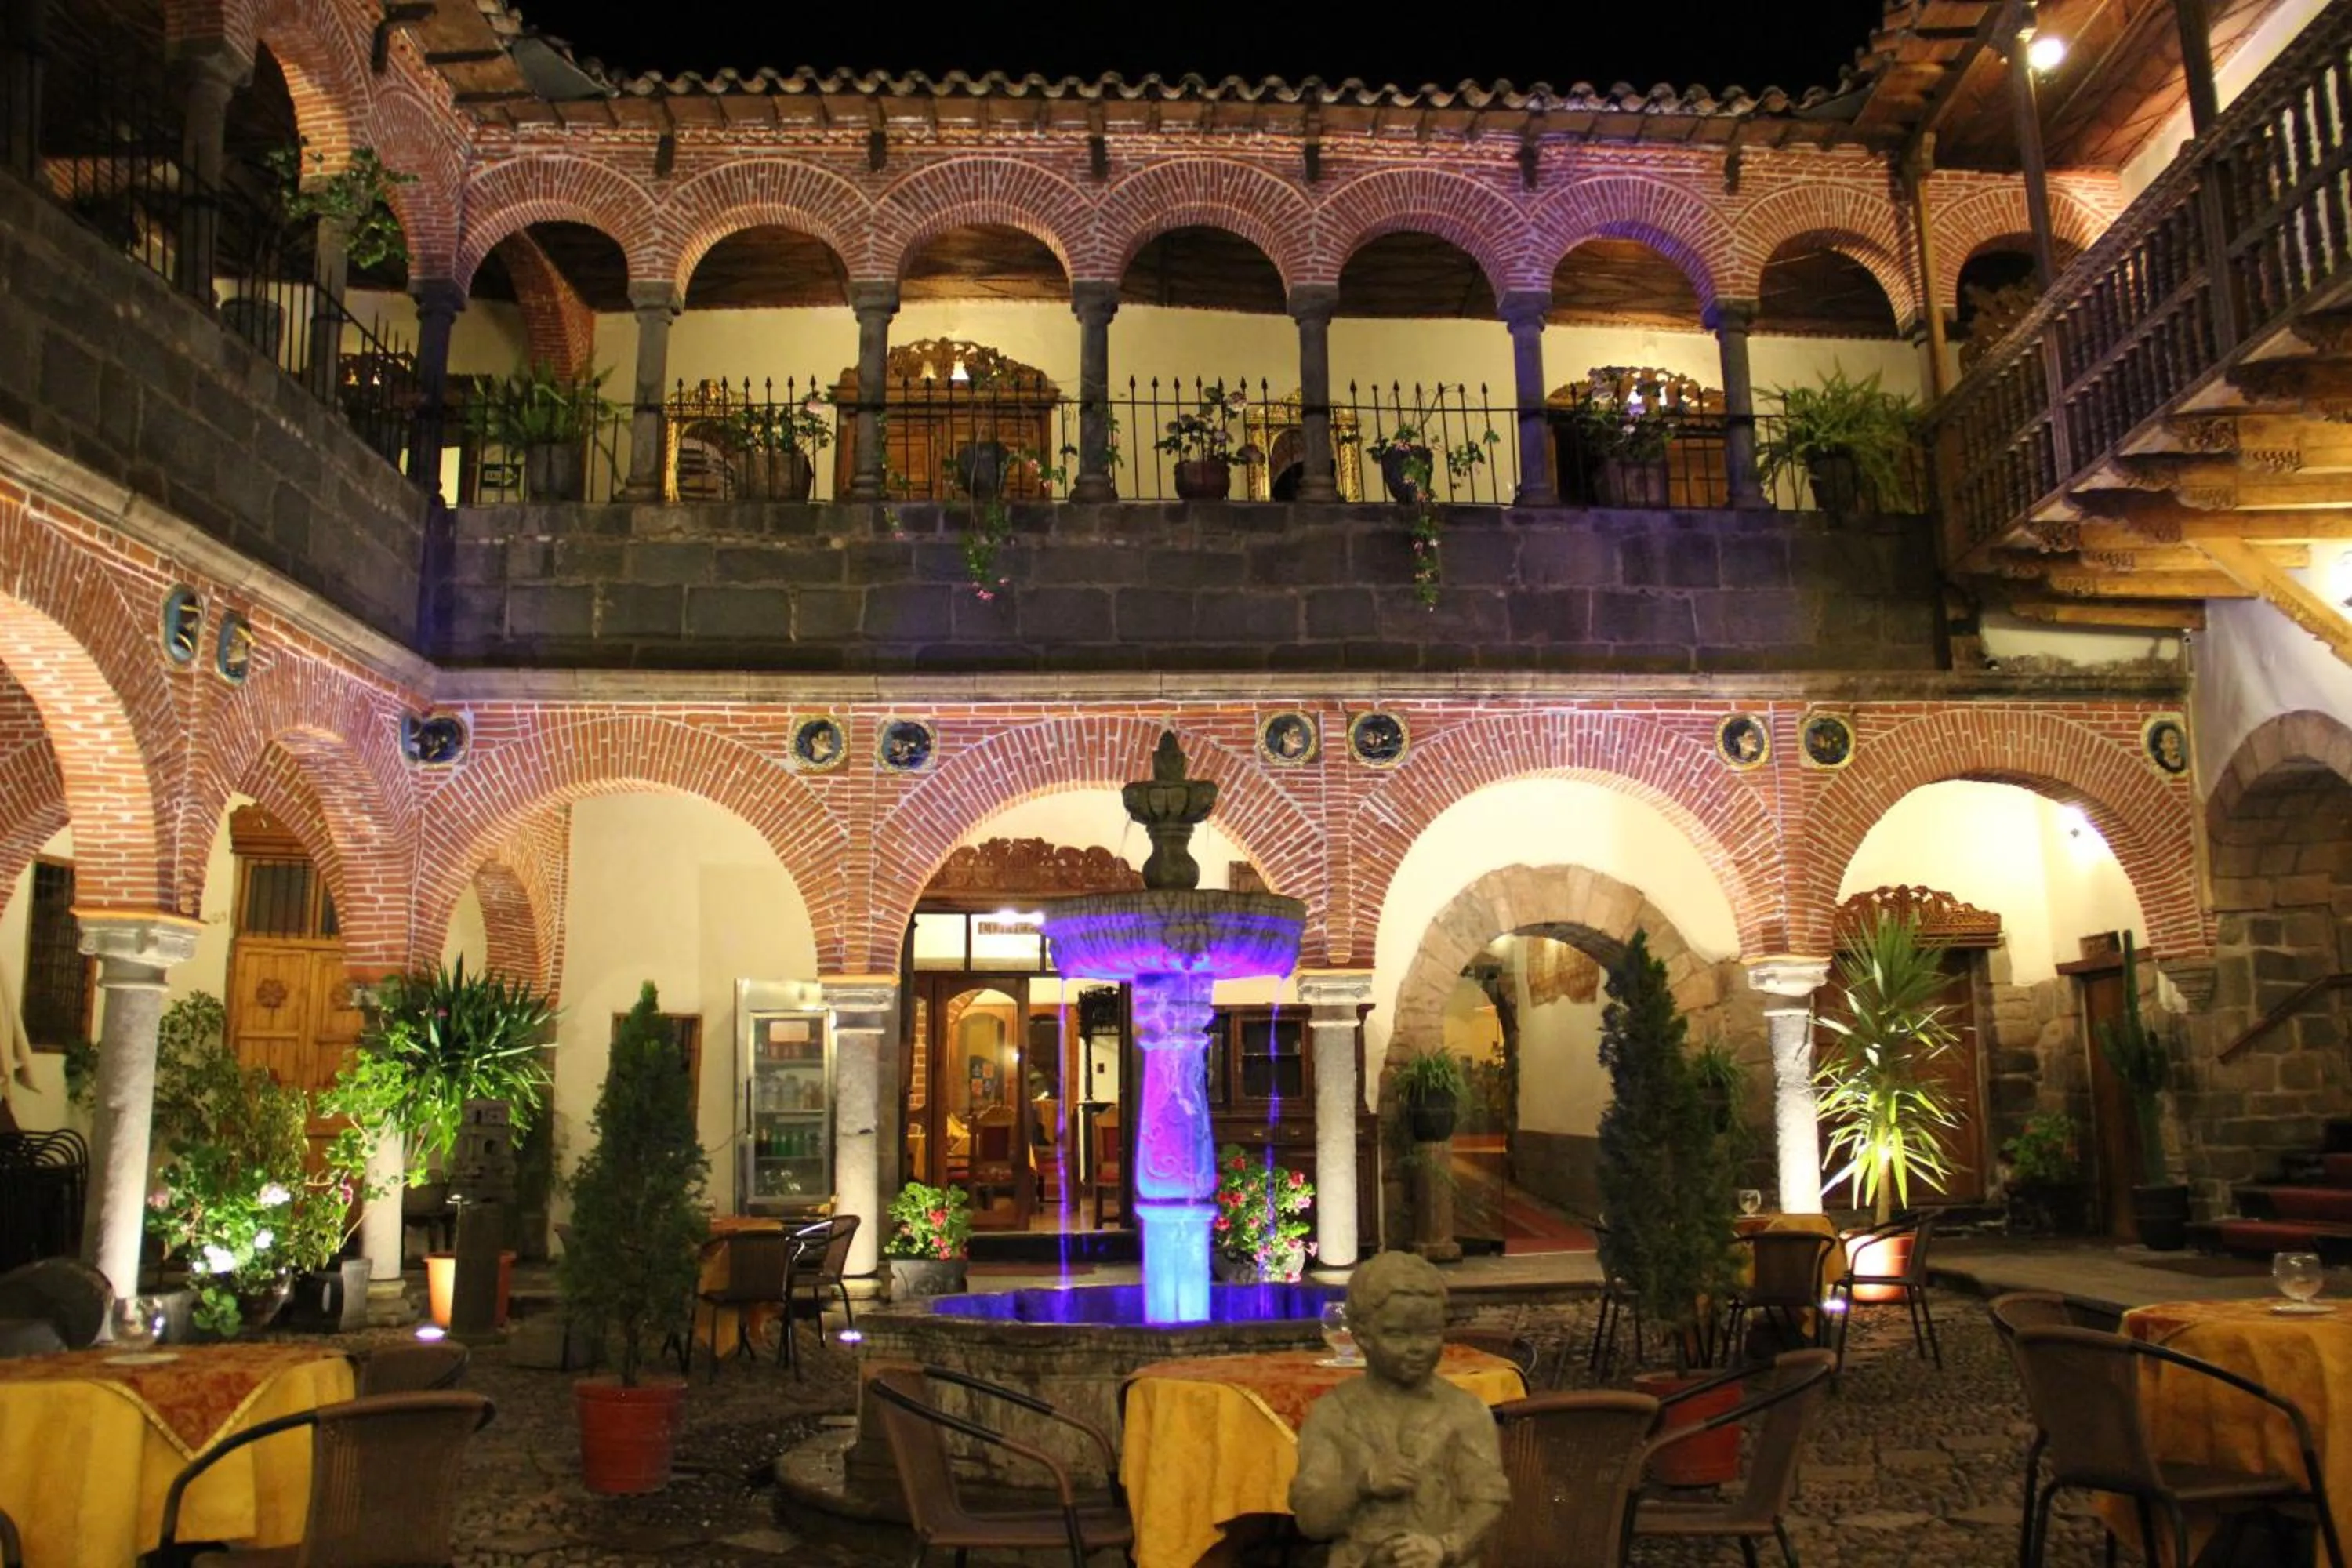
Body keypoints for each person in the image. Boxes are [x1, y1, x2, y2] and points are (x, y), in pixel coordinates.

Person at [1289, 1252, 1510, 1567]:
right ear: (1362, 1335)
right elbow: (1311, 1521)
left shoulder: (1464, 1411)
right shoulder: (1334, 1413)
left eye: (1430, 1333)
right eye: (1398, 1334)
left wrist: (1445, 1547)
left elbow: (1488, 1501)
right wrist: (1362, 1484)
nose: (1417, 1347)